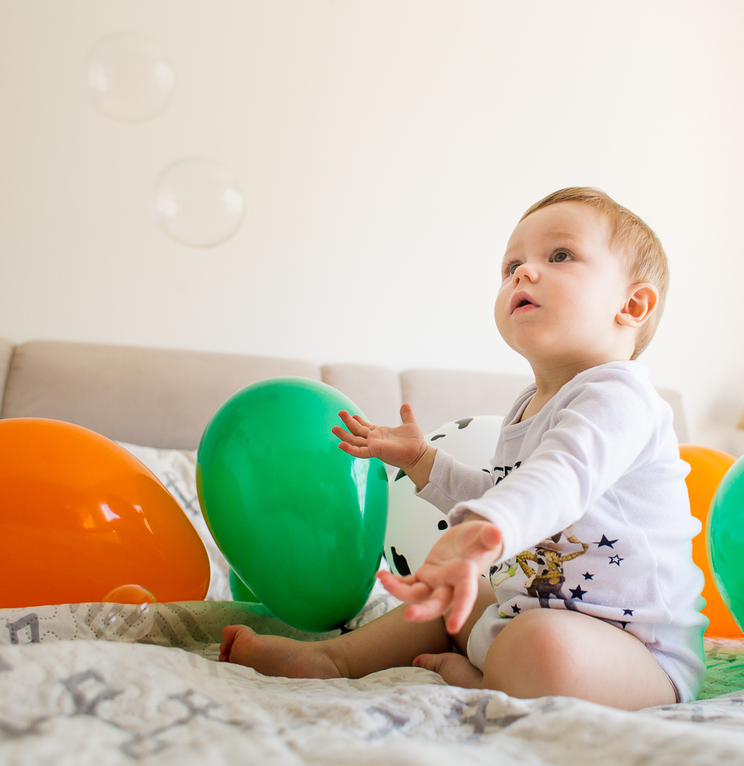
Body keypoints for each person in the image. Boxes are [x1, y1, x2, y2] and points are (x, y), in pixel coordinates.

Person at [220, 187, 706, 709]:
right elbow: (506, 493)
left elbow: (560, 478)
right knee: (449, 597)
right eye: (511, 265)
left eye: (560, 255)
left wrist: (476, 534)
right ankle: (333, 660)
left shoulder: (621, 397)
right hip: (532, 617)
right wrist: (423, 462)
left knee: (538, 645)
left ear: (632, 305)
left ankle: (480, 678)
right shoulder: (527, 406)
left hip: (638, 654)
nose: (523, 272)